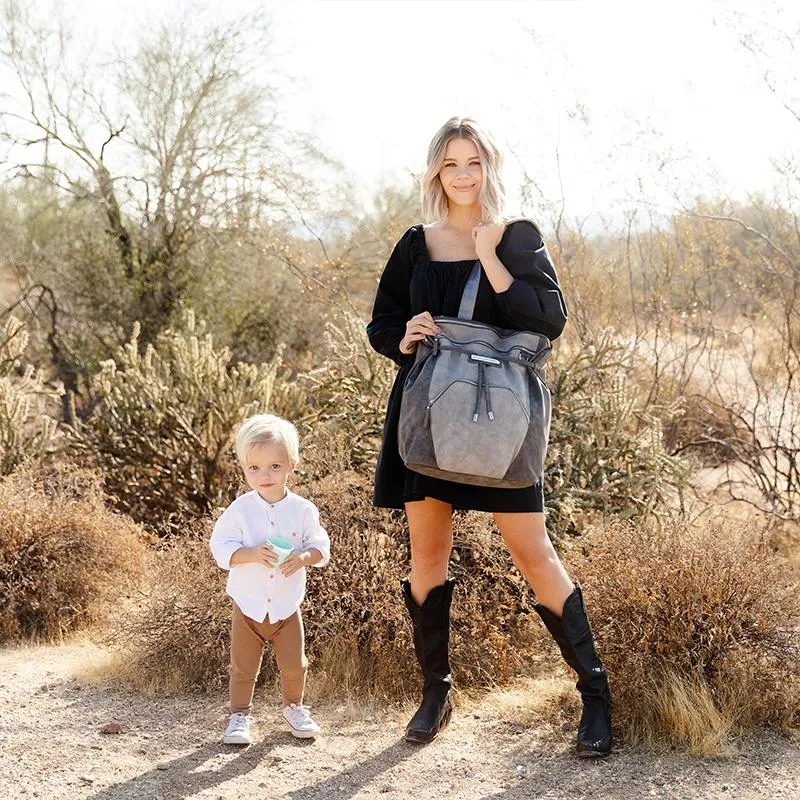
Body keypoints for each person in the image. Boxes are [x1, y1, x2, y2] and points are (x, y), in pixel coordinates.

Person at [366, 117, 612, 757]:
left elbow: (548, 320)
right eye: (452, 164)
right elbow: (382, 322)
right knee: (427, 557)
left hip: (502, 421)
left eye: (474, 162)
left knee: (535, 552)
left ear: (489, 167)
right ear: (435, 173)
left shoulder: (518, 237)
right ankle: (435, 694)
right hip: (427, 414)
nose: (464, 174)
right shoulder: (415, 243)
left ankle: (595, 698)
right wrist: (405, 335)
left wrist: (488, 257)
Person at [209, 413, 331, 745]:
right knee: (243, 667)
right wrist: (250, 554)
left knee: (295, 664)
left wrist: (303, 557)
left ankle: (294, 708)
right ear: (244, 468)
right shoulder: (240, 509)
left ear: (292, 464)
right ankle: (239, 716)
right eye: (255, 468)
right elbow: (219, 547)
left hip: (285, 606)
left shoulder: (303, 510)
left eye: (274, 467)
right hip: (247, 605)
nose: (264, 475)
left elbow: (321, 547)